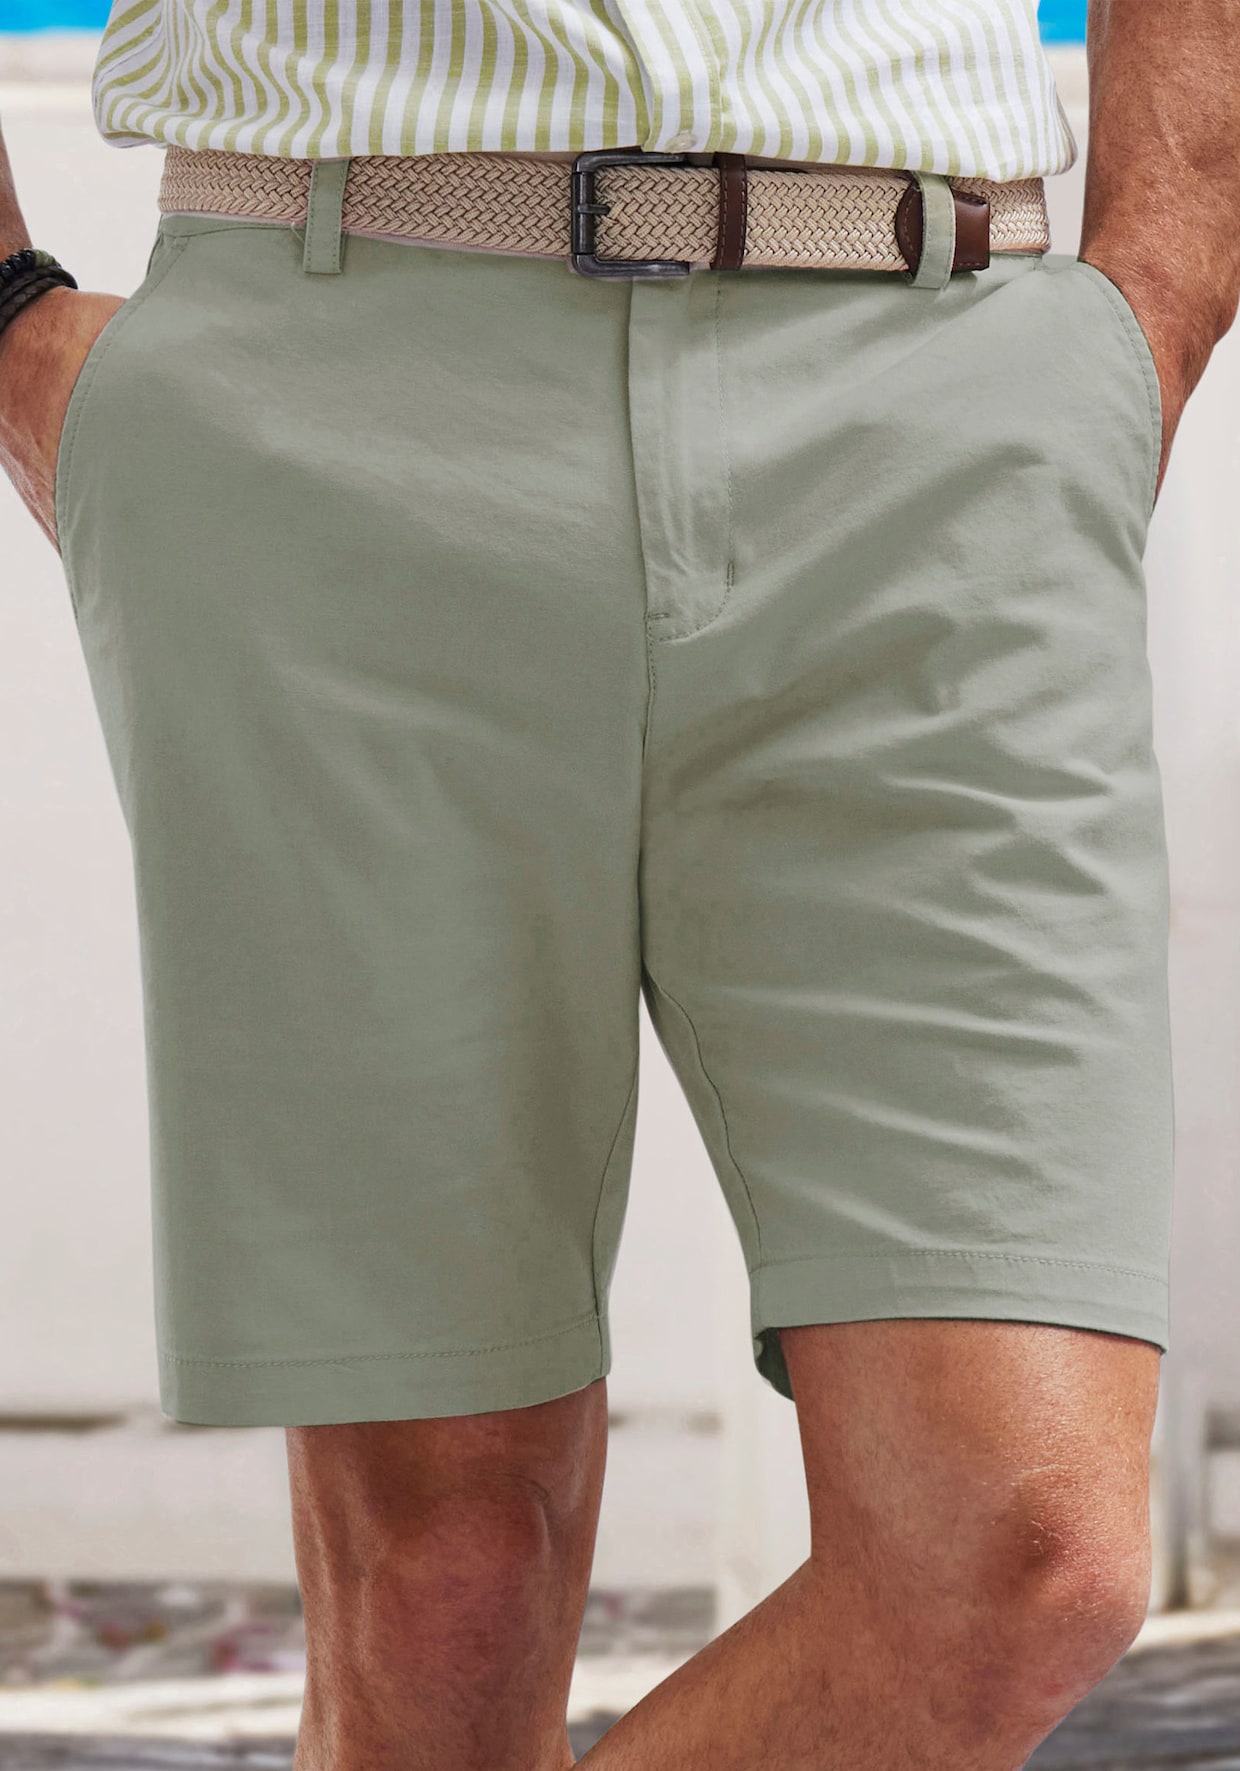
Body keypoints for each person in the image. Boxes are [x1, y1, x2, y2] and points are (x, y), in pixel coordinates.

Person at [2, 0, 1237, 1763]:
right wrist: (8, 319)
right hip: (337, 364)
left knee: (1019, 1554)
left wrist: (1157, 300)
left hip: (933, 383)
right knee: (443, 1583)